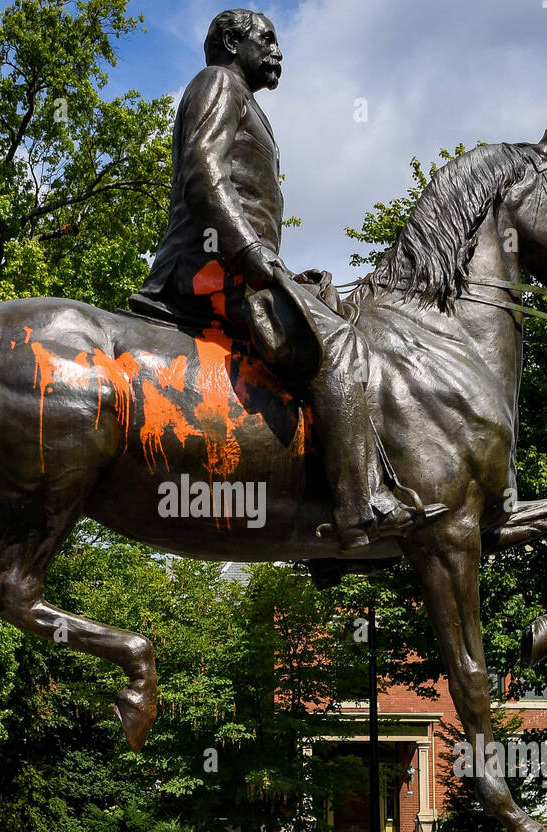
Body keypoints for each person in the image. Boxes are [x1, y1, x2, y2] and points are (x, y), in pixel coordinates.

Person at [128, 8, 435, 550]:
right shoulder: (219, 82)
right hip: (209, 268)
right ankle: (358, 506)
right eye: (266, 38)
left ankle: (325, 513)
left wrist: (282, 269)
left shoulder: (244, 101)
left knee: (331, 321)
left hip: (234, 264)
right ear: (231, 41)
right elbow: (203, 172)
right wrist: (251, 255)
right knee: (339, 342)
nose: (278, 50)